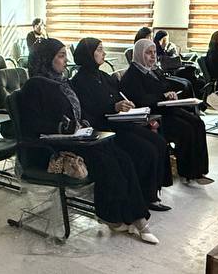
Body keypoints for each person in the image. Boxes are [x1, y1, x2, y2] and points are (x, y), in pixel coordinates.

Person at [20, 39, 158, 243]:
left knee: (123, 158)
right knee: (108, 163)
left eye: (65, 55)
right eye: (60, 56)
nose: (66, 61)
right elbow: (32, 124)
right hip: (52, 148)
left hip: (75, 140)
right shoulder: (34, 86)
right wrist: (64, 127)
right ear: (46, 59)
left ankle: (134, 217)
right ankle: (121, 217)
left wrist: (82, 123)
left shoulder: (62, 82)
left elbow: (79, 112)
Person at [71, 37, 171, 210]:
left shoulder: (103, 76)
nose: (104, 53)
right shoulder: (79, 81)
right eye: (99, 49)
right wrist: (114, 106)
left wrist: (125, 104)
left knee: (159, 142)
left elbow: (117, 97)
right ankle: (146, 197)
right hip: (104, 130)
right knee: (146, 150)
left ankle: (153, 191)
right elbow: (88, 111)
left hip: (120, 123)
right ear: (88, 54)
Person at [120, 38, 213, 185]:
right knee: (186, 129)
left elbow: (165, 86)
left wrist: (171, 93)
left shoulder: (153, 70)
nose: (153, 56)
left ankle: (200, 170)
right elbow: (140, 99)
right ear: (139, 54)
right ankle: (188, 172)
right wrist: (162, 96)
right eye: (148, 53)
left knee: (197, 123)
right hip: (155, 115)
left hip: (167, 109)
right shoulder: (132, 76)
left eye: (154, 52)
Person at [153, 29, 202, 95]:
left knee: (192, 76)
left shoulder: (169, 47)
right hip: (167, 73)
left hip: (174, 69)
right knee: (186, 82)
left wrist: (170, 50)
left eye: (167, 39)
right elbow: (160, 64)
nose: (166, 42)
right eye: (164, 40)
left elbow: (175, 59)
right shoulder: (154, 50)